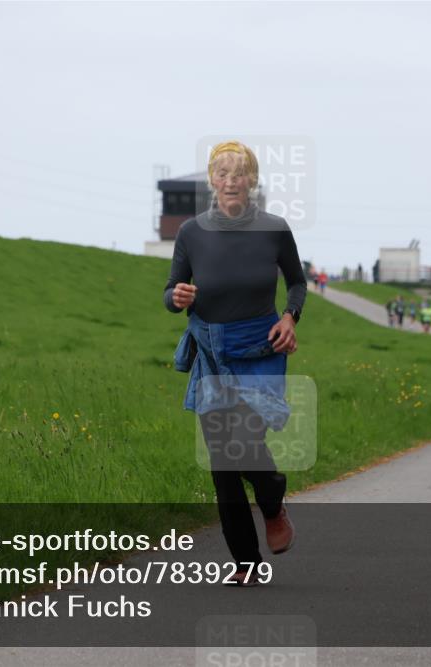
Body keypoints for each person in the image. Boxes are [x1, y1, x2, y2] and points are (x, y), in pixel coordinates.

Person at [164, 140, 301, 586]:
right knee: (223, 462)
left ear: (252, 180)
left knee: (244, 442)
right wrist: (177, 296)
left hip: (258, 350)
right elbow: (171, 291)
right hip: (211, 352)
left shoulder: (274, 229)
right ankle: (246, 561)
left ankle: (272, 500)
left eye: (239, 173)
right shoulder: (191, 233)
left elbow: (297, 283)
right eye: (221, 173)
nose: (230, 181)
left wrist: (289, 317)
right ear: (211, 180)